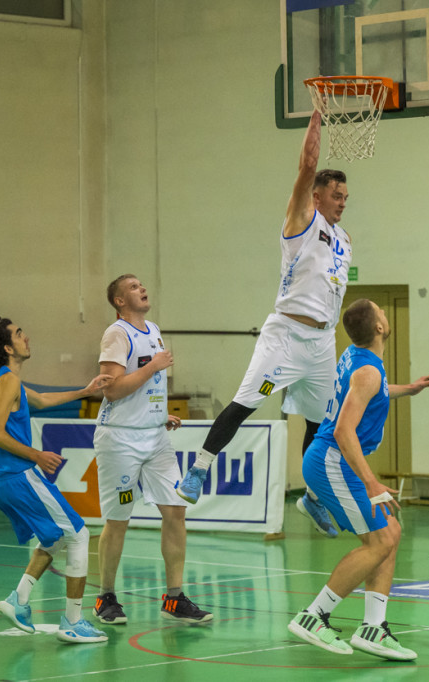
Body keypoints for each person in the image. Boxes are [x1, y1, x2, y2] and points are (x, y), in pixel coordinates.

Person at [176, 110, 352, 538]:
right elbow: (307, 166)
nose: (343, 201)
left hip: (322, 343)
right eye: (337, 195)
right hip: (286, 337)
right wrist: (316, 123)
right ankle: (198, 469)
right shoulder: (300, 221)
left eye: (347, 196)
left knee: (323, 420)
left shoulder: (345, 240)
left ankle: (312, 495)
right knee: (247, 401)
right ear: (316, 197)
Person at [287, 299, 429, 661]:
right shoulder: (368, 370)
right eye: (382, 313)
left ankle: (373, 626)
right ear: (378, 327)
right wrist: (372, 482)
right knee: (377, 542)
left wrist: (409, 388)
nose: (386, 316)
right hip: (332, 462)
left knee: (390, 532)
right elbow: (344, 430)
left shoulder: (359, 359)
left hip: (332, 461)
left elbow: (370, 392)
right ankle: (314, 616)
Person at [0, 317, 109, 644]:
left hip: (0, 478)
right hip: (17, 475)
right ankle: (73, 622)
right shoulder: (8, 382)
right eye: (19, 334)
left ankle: (18, 601)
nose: (26, 336)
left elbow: (43, 401)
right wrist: (36, 455)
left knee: (53, 538)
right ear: (8, 348)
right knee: (78, 534)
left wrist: (86, 392)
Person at [91, 274, 213, 626]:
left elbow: (144, 389)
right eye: (132, 287)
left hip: (154, 438)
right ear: (119, 300)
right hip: (121, 441)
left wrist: (159, 414)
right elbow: (111, 390)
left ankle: (174, 599)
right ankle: (106, 597)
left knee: (176, 510)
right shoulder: (117, 333)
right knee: (119, 519)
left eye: (142, 285)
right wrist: (154, 367)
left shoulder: (154, 329)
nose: (141, 288)